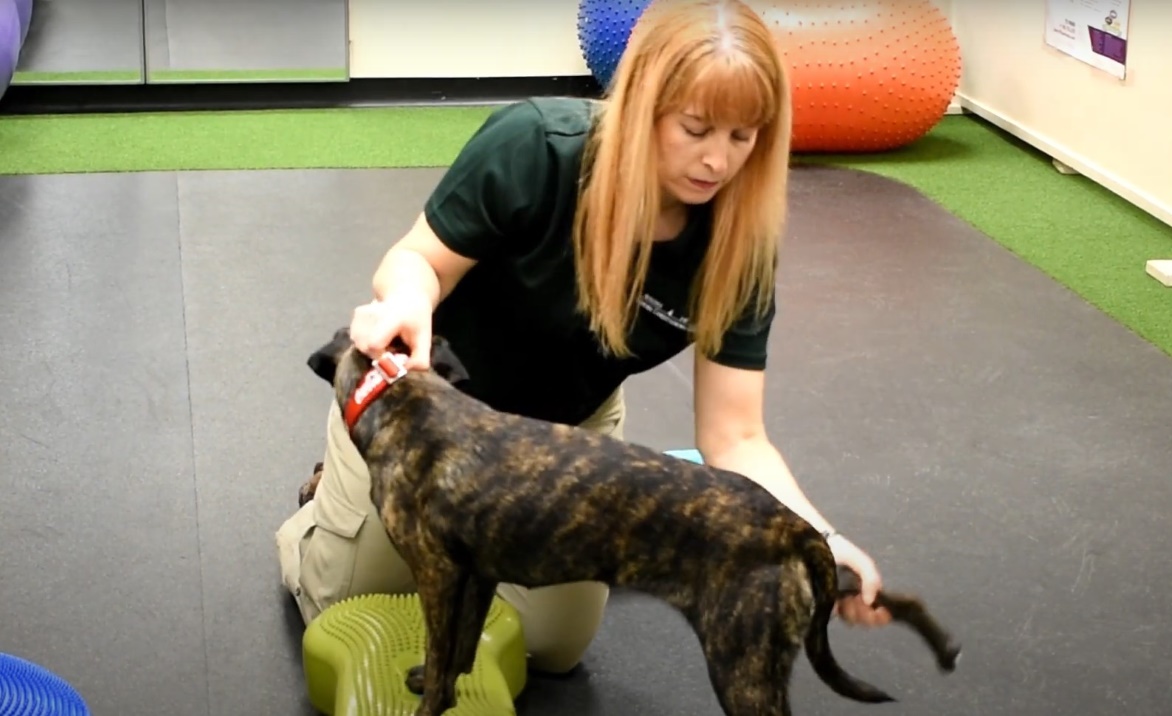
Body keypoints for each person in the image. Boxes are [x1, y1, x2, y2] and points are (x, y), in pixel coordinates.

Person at [275, 0, 891, 676]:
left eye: (743, 137)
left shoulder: (738, 247)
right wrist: (409, 301)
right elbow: (415, 259)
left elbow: (737, 436)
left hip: (563, 439)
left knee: (550, 647)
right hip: (426, 420)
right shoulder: (537, 147)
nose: (717, 160)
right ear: (643, 104)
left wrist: (820, 540)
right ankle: (327, 501)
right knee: (344, 606)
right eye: (695, 128)